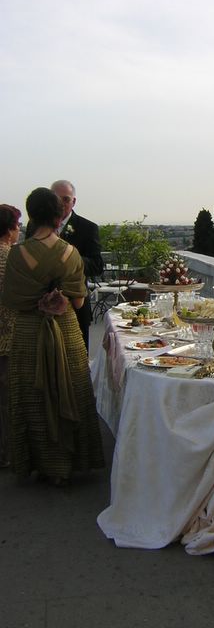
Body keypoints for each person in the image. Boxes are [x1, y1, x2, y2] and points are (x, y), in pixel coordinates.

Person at [3, 187, 104, 485]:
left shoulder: (17, 254)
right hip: (66, 331)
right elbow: (78, 302)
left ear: (31, 214)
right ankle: (69, 461)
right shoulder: (71, 253)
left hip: (28, 334)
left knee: (30, 395)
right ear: (60, 215)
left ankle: (37, 462)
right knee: (69, 390)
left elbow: (12, 301)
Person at [27, 180, 103, 351]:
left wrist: (70, 258)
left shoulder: (88, 227)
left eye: (66, 199)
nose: (60, 204)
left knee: (76, 365)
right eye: (56, 199)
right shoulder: (34, 227)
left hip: (75, 305)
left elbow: (97, 265)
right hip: (40, 307)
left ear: (74, 201)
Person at [0, 204, 22, 468]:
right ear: (9, 229)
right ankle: (8, 454)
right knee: (7, 399)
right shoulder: (12, 259)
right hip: (8, 338)